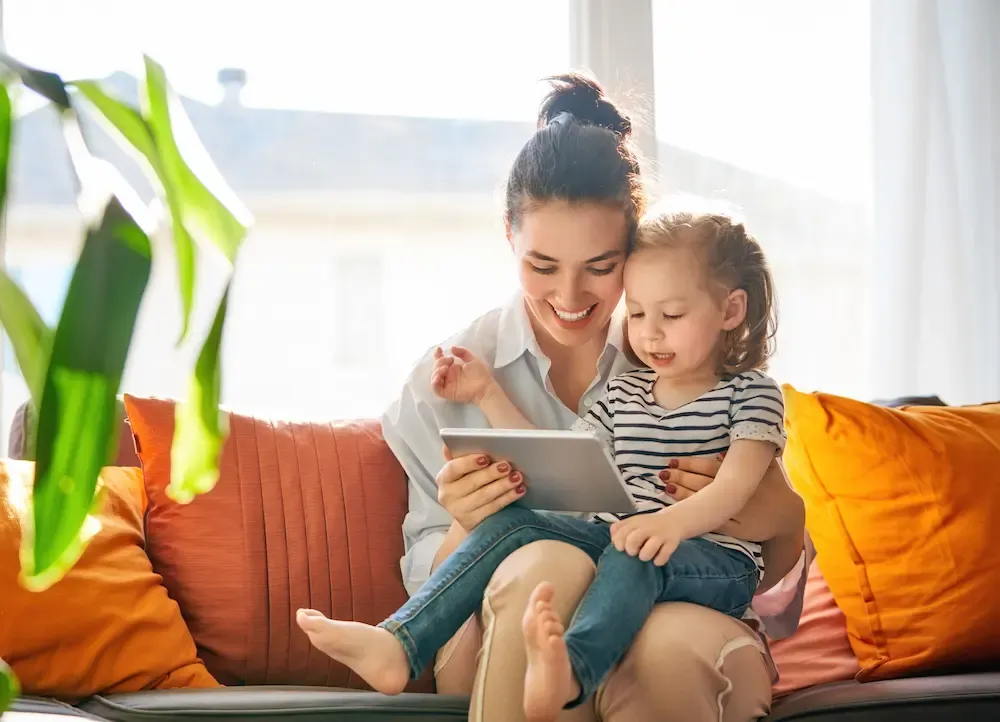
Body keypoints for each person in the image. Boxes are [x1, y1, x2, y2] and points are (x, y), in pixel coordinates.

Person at [299, 73, 807, 722]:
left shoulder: (690, 352)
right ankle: (413, 645)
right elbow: (448, 581)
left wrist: (784, 519)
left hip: (684, 598)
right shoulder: (448, 381)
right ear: (508, 238)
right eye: (543, 267)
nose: (570, 298)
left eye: (601, 267)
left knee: (667, 645)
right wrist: (466, 520)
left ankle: (575, 669)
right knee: (543, 562)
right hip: (494, 625)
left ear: (636, 247)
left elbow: (779, 601)